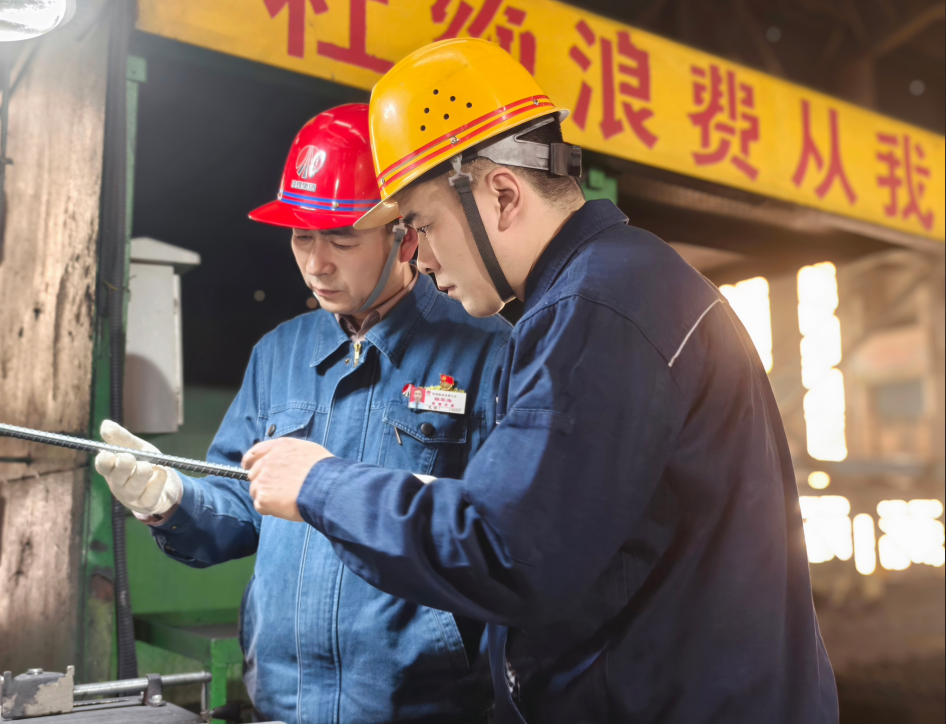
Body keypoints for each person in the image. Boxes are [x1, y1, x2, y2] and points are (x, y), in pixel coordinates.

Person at [242, 41, 841, 724]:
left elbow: (510, 553)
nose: (422, 257)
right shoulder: (618, 284)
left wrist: (321, 485)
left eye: (423, 225)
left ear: (501, 194)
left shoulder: (597, 311)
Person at [94, 104, 511, 724]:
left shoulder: (486, 352)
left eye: (341, 239)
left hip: (424, 705)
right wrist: (171, 497)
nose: (317, 263)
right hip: (281, 701)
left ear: (406, 235)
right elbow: (239, 505)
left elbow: (502, 538)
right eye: (301, 236)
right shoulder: (279, 353)